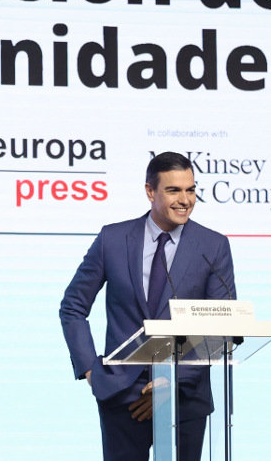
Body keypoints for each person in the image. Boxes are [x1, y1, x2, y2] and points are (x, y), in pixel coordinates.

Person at [60, 151, 236, 461]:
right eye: (174, 190)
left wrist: (172, 380)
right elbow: (73, 306)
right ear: (150, 192)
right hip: (122, 393)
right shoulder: (112, 239)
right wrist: (91, 370)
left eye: (191, 189)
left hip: (185, 396)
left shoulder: (213, 246)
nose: (185, 199)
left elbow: (221, 325)